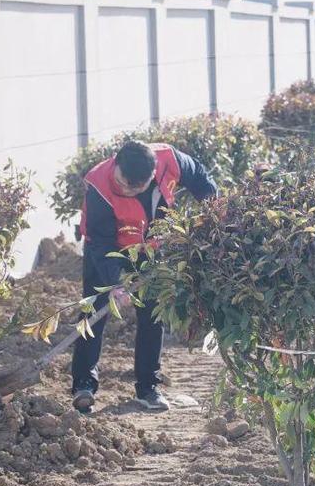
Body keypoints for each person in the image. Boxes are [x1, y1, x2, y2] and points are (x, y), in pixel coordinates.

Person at [72, 140, 218, 413]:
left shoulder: (170, 160)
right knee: (94, 309)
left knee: (152, 312)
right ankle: (84, 385)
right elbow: (101, 243)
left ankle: (148, 387)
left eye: (134, 188)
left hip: (150, 248)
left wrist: (214, 214)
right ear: (116, 166)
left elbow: (201, 179)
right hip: (107, 248)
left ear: (151, 175)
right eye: (123, 183)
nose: (126, 190)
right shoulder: (99, 186)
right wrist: (115, 284)